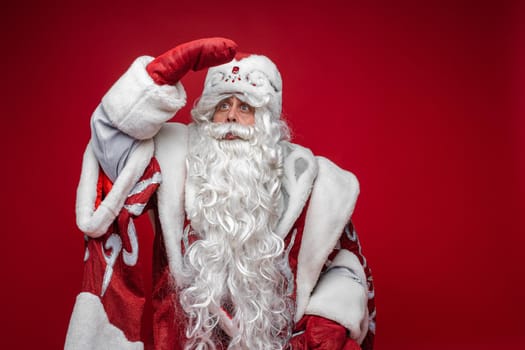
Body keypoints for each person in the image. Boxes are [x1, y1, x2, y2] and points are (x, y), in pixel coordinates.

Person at [65, 38, 376, 350]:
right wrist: (152, 84)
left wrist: (329, 316)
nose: (231, 117)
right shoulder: (174, 160)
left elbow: (344, 261)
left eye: (245, 107)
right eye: (222, 105)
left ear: (267, 122)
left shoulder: (312, 182)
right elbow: (110, 147)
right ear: (207, 115)